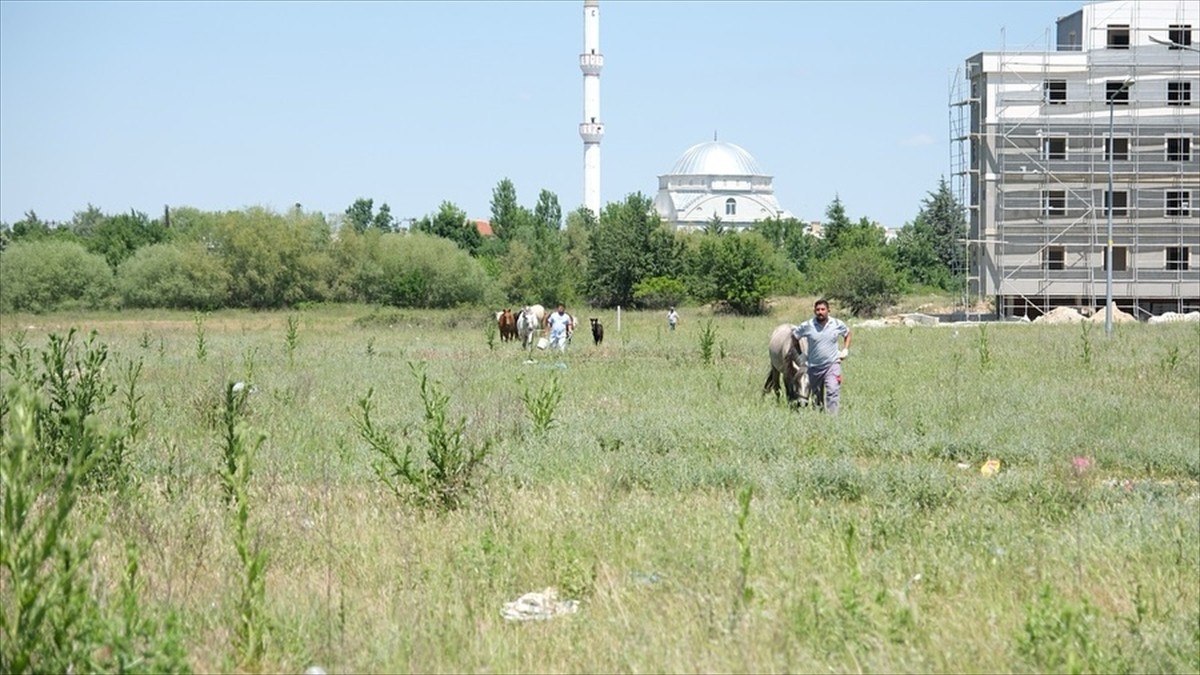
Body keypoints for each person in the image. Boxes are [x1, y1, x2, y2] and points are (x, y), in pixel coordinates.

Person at [792, 298, 851, 414]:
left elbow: (847, 333)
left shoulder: (836, 324)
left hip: (832, 364)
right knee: (816, 396)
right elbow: (794, 337)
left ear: (828, 310)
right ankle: (818, 417)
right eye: (818, 309)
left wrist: (845, 349)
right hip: (814, 367)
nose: (820, 312)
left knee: (833, 391)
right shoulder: (807, 325)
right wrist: (801, 354)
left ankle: (832, 419)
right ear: (814, 311)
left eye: (823, 309)